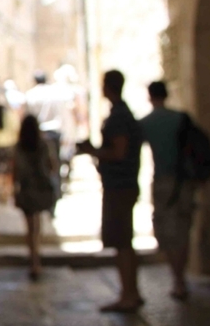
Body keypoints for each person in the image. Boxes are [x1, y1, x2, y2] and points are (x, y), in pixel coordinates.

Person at [76, 70, 144, 312]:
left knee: (122, 241)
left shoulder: (119, 118)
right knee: (124, 241)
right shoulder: (121, 114)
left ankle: (128, 295)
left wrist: (93, 151)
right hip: (121, 184)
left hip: (120, 185)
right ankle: (131, 291)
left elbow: (119, 152)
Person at [139, 81, 195, 300]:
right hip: (185, 183)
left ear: (150, 96)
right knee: (183, 229)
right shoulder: (181, 118)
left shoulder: (146, 123)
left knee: (167, 232)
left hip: (164, 182)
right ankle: (181, 278)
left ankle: (178, 279)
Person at [14, 114, 58, 280]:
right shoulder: (43, 145)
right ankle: (35, 260)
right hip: (39, 189)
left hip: (27, 190)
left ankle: (34, 259)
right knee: (36, 227)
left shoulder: (20, 147)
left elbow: (16, 170)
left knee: (30, 228)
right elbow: (52, 166)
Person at [26, 71, 73, 208]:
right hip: (54, 133)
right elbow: (62, 115)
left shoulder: (31, 95)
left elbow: (28, 117)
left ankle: (42, 198)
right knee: (54, 165)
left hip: (38, 134)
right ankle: (55, 195)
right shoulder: (55, 94)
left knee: (38, 167)